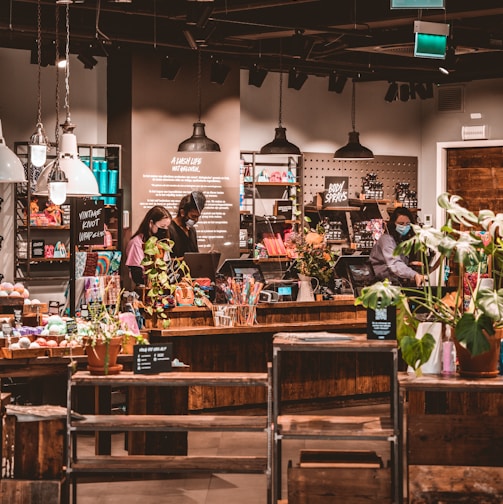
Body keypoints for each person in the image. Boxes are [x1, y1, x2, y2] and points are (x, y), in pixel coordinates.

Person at [369, 207, 425, 287]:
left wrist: (409, 265)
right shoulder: (386, 239)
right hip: (381, 284)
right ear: (393, 224)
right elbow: (394, 264)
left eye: (408, 224)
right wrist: (414, 274)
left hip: (395, 283)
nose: (404, 227)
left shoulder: (403, 240)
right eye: (401, 224)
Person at [125, 205, 172, 286]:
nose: (165, 230)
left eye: (167, 227)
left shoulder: (163, 243)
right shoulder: (136, 243)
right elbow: (137, 275)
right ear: (151, 223)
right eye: (162, 226)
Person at [168, 191, 206, 258]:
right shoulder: (169, 229)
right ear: (182, 212)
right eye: (193, 216)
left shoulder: (192, 230)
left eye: (198, 217)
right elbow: (163, 261)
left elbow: (195, 255)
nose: (196, 220)